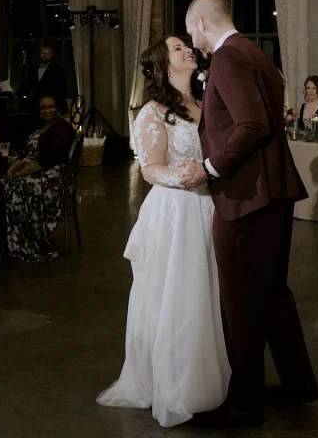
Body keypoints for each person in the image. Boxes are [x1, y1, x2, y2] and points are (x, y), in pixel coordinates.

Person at [180, 0, 318, 426]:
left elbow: (254, 124)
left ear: (202, 21)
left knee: (239, 302)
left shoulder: (226, 58)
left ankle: (243, 404)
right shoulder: (256, 52)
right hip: (272, 191)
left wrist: (209, 167)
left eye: (190, 31)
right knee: (274, 294)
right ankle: (298, 384)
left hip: (247, 196)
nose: (191, 40)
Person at [97, 36, 229, 427]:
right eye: (177, 48)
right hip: (176, 210)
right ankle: (176, 384)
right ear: (163, 65)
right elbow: (151, 168)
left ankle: (207, 377)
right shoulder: (153, 112)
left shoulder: (203, 105)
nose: (188, 50)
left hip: (208, 208)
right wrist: (186, 176)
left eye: (187, 45)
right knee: (178, 296)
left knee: (208, 294)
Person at [2, 94, 75, 263]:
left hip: (53, 178)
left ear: (58, 107)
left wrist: (20, 174)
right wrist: (13, 167)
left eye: (51, 106)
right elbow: (26, 153)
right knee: (3, 183)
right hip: (34, 171)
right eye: (44, 107)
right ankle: (8, 238)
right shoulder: (40, 127)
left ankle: (27, 240)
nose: (47, 110)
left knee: (16, 186)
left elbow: (45, 162)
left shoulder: (62, 130)